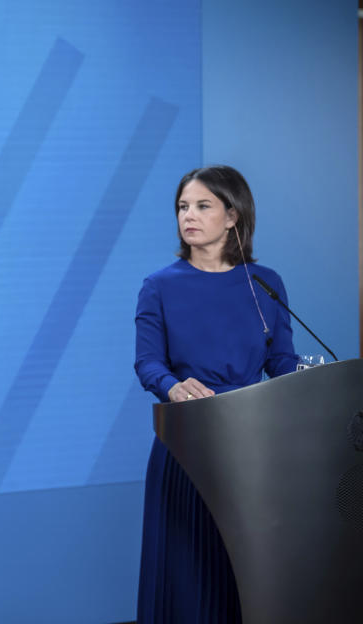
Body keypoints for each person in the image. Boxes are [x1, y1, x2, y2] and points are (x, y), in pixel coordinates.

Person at [133, 165, 298, 623]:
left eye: (203, 205)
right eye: (183, 207)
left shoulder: (265, 284)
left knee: (246, 574)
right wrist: (172, 385)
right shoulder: (159, 286)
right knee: (187, 572)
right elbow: (148, 363)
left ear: (233, 216)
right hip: (186, 443)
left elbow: (282, 363)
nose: (189, 215)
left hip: (251, 446)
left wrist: (309, 377)